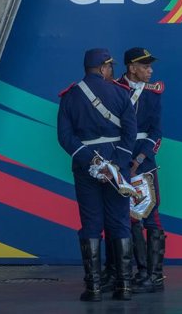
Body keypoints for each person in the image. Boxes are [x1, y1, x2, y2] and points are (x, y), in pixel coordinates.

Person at [57, 48, 137, 302]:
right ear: (103, 68)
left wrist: (92, 161)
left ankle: (93, 288)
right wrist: (117, 163)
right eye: (110, 67)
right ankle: (124, 286)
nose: (112, 71)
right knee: (120, 222)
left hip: (85, 167)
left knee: (91, 223)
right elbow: (130, 133)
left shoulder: (69, 96)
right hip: (117, 164)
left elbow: (65, 137)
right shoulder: (120, 93)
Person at [118, 47, 166, 293]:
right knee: (128, 217)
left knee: (151, 215)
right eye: (145, 66)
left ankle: (156, 276)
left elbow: (157, 132)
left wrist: (139, 157)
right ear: (131, 67)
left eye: (150, 66)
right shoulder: (114, 88)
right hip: (118, 160)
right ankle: (141, 272)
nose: (150, 70)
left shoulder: (154, 93)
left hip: (143, 162)